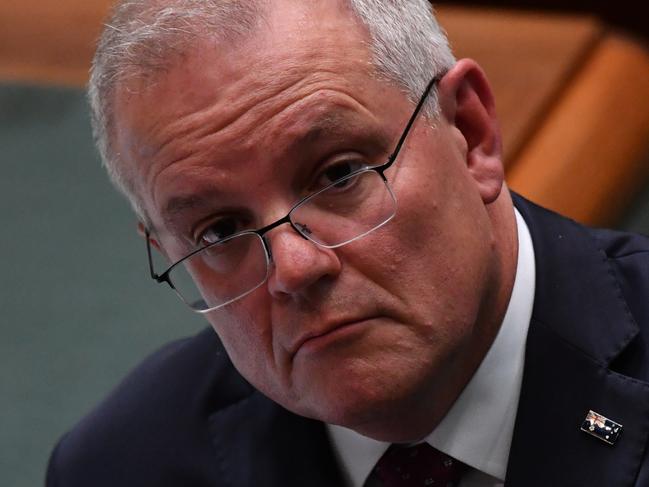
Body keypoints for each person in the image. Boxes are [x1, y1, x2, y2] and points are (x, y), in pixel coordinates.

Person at [46, 1, 649, 486]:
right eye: (220, 232)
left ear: (471, 132)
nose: (294, 266)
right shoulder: (121, 465)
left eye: (339, 175)